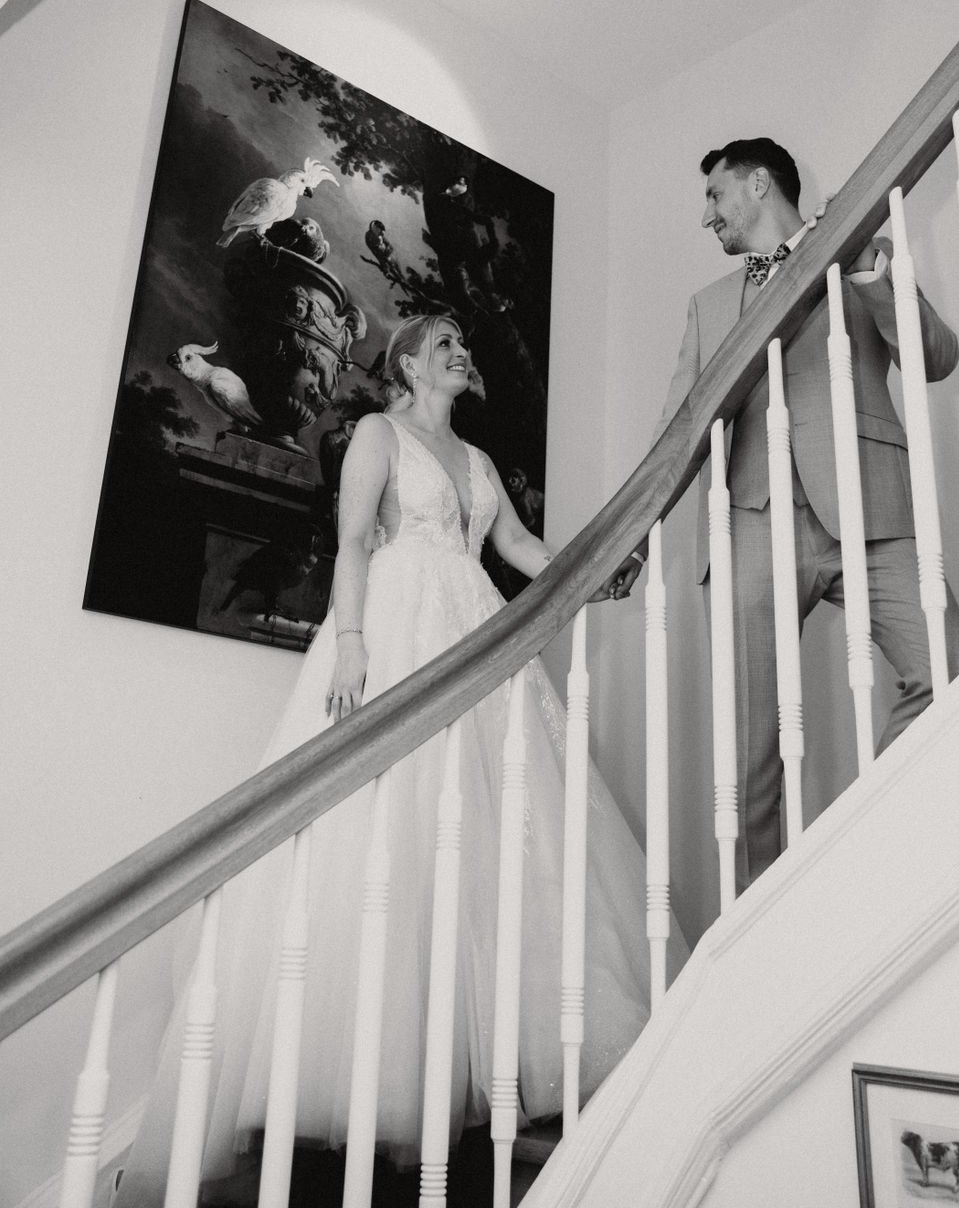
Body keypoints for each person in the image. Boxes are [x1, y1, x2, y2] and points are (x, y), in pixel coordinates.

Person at [116, 312, 678, 1205]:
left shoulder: (482, 463)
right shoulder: (378, 434)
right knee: (384, 817)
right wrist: (347, 643)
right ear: (408, 362)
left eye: (464, 345)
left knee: (499, 824)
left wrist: (595, 566)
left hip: (475, 636)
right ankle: (364, 1069)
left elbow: (519, 550)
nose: (462, 354)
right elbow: (350, 541)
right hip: (396, 626)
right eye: (445, 344)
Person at [603, 138, 959, 889]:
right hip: (750, 524)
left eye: (714, 195)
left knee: (954, 672)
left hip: (868, 505)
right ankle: (762, 931)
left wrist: (870, 273)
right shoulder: (707, 305)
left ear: (758, 184)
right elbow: (676, 429)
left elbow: (936, 357)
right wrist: (632, 540)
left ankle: (846, 845)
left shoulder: (857, 250)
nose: (705, 215)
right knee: (749, 761)